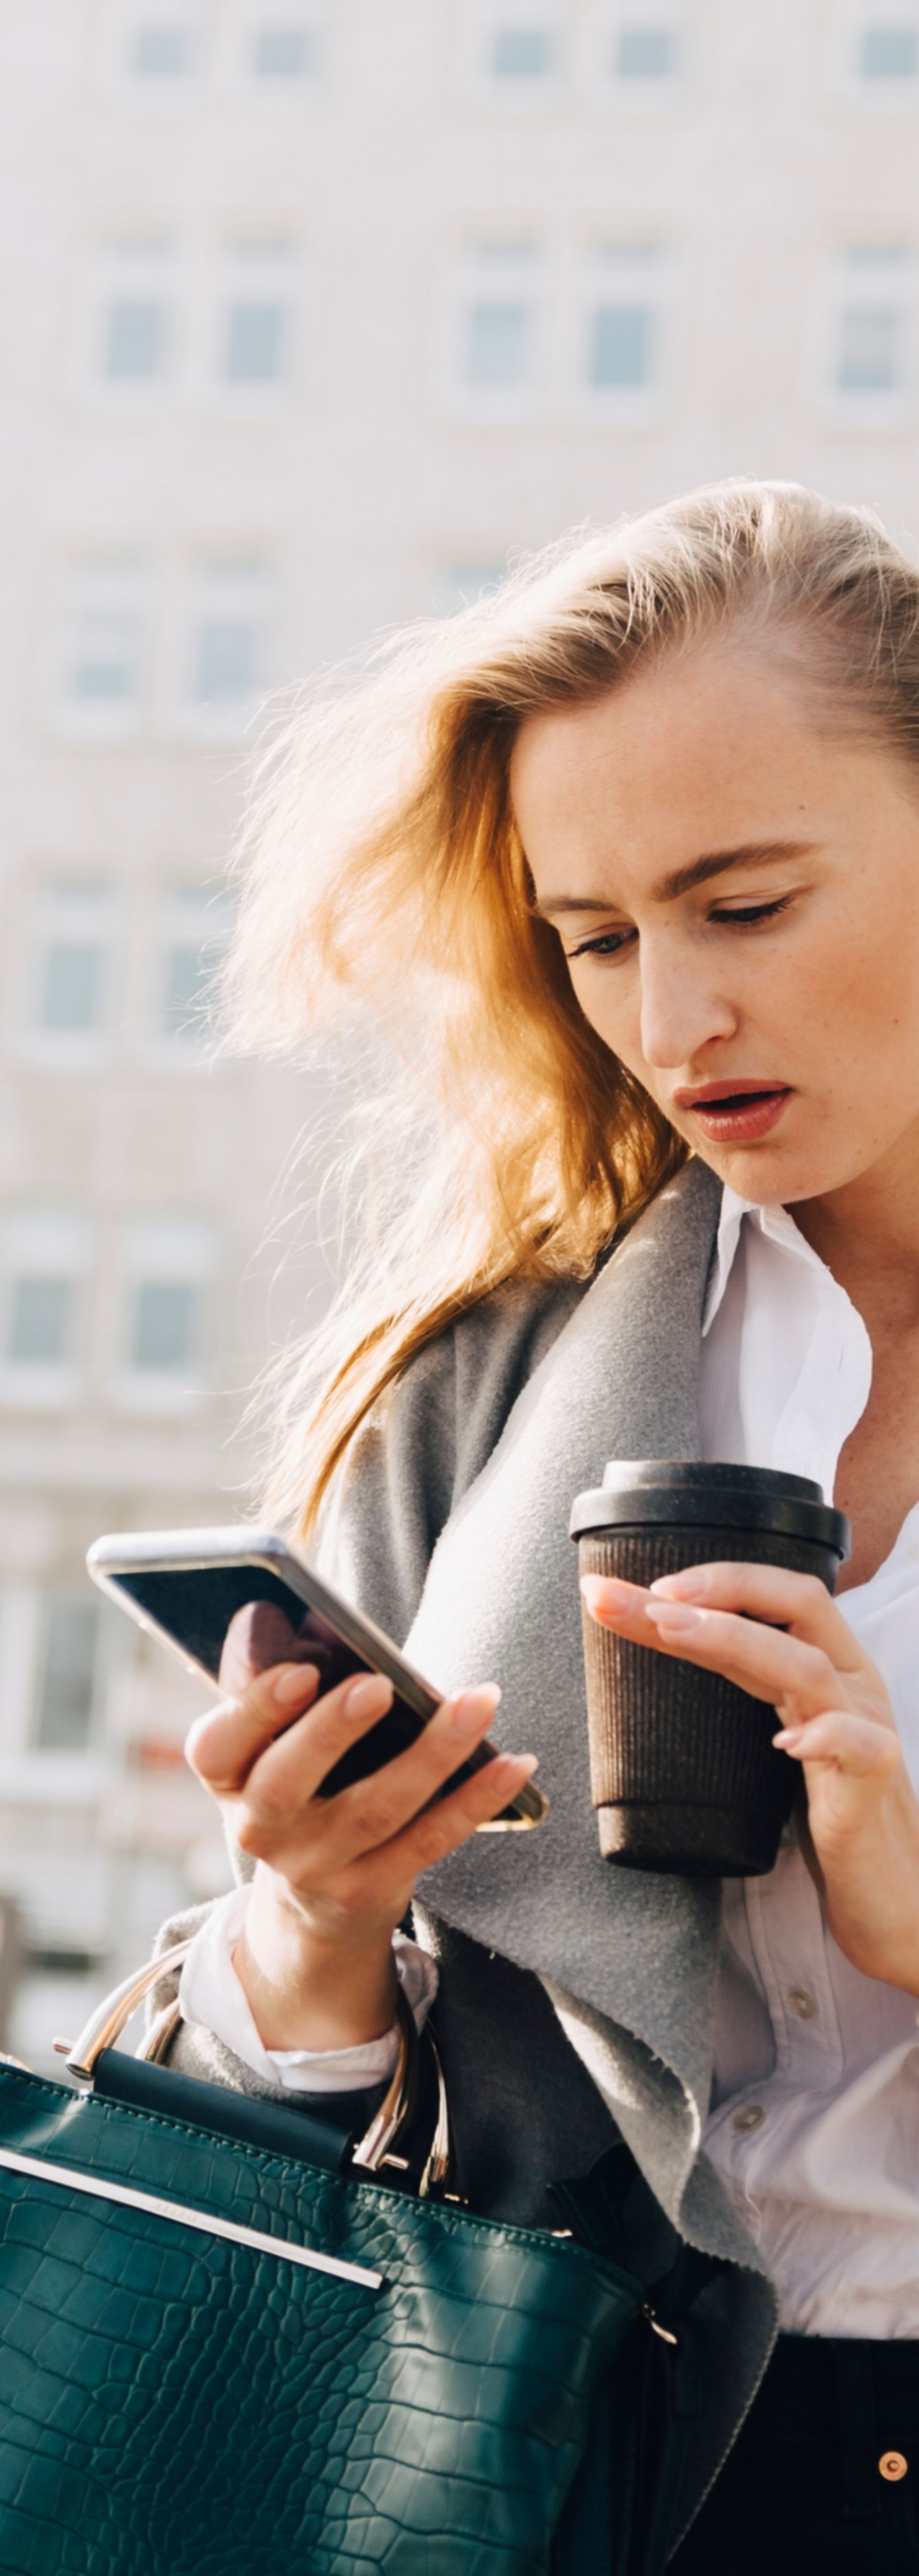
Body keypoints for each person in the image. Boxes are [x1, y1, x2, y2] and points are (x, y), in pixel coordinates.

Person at [154, 480, 919, 2570]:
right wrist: (304, 1923)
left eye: (743, 906)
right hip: (554, 2460)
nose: (669, 1020)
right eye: (594, 939)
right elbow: (265, 2078)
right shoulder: (484, 1380)